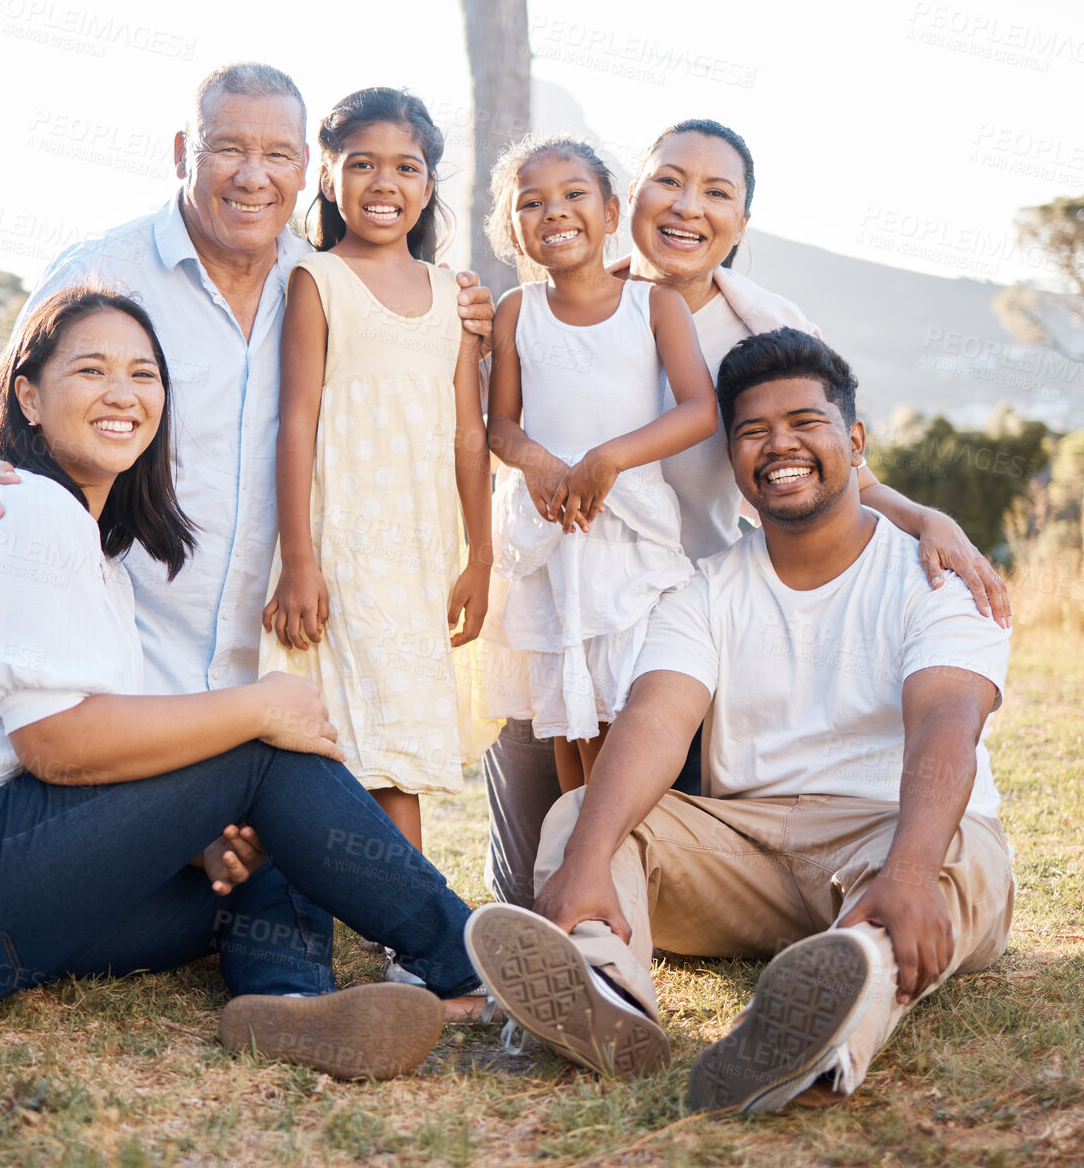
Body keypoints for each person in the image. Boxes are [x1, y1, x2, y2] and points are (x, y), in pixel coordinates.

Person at [0, 63, 494, 1000]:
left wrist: (476, 311)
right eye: (227, 148)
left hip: (269, 674)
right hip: (125, 701)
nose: (250, 175)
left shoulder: (329, 285)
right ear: (186, 153)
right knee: (261, 806)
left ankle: (291, 1007)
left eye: (275, 154)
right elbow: (1, 420)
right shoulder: (103, 270)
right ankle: (464, 960)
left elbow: (430, 373)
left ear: (304, 168)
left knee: (279, 855)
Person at [0, 288, 485, 1081]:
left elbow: (98, 756)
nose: (123, 393)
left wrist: (196, 840)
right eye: (90, 370)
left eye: (144, 374)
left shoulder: (96, 555)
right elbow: (57, 746)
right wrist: (260, 706)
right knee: (263, 746)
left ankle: (293, 1004)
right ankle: (470, 960)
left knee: (263, 851)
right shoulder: (27, 511)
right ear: (27, 395)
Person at [465, 328, 1015, 1111]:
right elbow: (656, 719)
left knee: (956, 849)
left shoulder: (940, 577)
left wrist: (909, 872)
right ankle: (604, 990)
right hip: (747, 845)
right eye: (753, 432)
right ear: (734, 461)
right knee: (589, 814)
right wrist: (588, 856)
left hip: (892, 834)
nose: (779, 445)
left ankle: (826, 1025)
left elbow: (944, 727)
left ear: (855, 442)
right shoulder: (706, 590)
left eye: (804, 423)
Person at [480, 119, 1014, 912]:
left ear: (742, 221)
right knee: (541, 846)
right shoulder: (573, 297)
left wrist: (922, 514)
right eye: (669, 180)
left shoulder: (768, 329)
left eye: (716, 192)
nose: (687, 205)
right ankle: (546, 924)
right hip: (566, 584)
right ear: (630, 197)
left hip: (688, 607)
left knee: (646, 798)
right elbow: (502, 412)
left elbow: (825, 461)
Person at [263, 88, 496, 854]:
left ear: (430, 186)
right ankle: (316, 902)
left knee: (399, 736)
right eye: (361, 164)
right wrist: (299, 558)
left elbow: (470, 431)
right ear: (328, 176)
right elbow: (296, 419)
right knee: (333, 722)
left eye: (406, 166)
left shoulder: (452, 295)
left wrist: (480, 553)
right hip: (340, 540)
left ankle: (407, 927)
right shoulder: (317, 279)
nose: (384, 183)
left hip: (422, 546)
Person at [477, 136, 717, 792]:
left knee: (630, 715)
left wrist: (609, 459)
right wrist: (536, 461)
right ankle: (574, 869)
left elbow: (699, 409)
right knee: (570, 720)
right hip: (553, 542)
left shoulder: (653, 306)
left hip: (628, 541)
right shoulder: (517, 311)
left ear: (612, 214)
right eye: (532, 203)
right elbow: (500, 425)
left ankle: (624, 867)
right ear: (515, 230)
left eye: (573, 195)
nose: (554, 212)